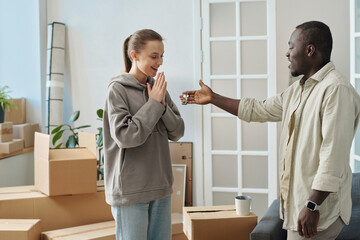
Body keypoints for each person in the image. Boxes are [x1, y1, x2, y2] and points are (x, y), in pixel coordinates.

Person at [181, 21, 360, 240]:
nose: (287, 53)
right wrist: (213, 98)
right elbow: (259, 109)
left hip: (317, 210)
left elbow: (333, 156)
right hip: (300, 206)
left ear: (310, 50)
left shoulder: (336, 90)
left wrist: (312, 205)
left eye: (291, 47)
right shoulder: (298, 90)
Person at [103, 29, 185, 240]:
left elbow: (177, 132)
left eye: (162, 56)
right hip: (131, 191)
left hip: (160, 186)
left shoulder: (157, 88)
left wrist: (161, 105)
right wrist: (153, 104)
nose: (160, 62)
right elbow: (126, 136)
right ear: (134, 56)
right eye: (154, 56)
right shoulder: (117, 90)